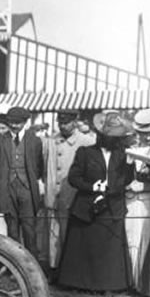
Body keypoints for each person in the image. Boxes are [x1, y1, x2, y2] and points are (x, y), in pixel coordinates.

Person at [57, 111, 136, 292]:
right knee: (85, 245)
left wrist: (130, 165)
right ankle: (80, 283)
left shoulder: (122, 155)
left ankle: (110, 284)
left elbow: (126, 180)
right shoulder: (85, 152)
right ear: (100, 136)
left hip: (112, 207)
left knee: (109, 248)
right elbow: (73, 178)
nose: (111, 140)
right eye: (107, 137)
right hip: (87, 206)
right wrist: (93, 187)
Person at [42, 109, 96, 272]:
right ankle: (53, 267)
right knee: (52, 232)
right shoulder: (50, 141)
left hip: (73, 194)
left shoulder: (87, 141)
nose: (63, 126)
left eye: (66, 122)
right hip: (52, 193)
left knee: (72, 232)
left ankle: (71, 269)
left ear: (75, 122)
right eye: (60, 122)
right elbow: (43, 166)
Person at [0, 106, 45, 262]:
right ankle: (15, 265)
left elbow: (39, 167)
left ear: (25, 122)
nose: (14, 126)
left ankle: (32, 266)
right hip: (7, 189)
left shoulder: (34, 140)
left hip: (26, 189)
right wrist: (1, 187)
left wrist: (29, 183)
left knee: (29, 229)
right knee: (12, 230)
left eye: (18, 123)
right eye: (11, 123)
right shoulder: (0, 140)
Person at [125, 108, 150, 296]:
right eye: (143, 134)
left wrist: (143, 187)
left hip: (149, 200)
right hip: (133, 200)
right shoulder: (134, 150)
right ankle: (133, 280)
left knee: (146, 238)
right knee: (132, 238)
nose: (147, 137)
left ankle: (143, 281)